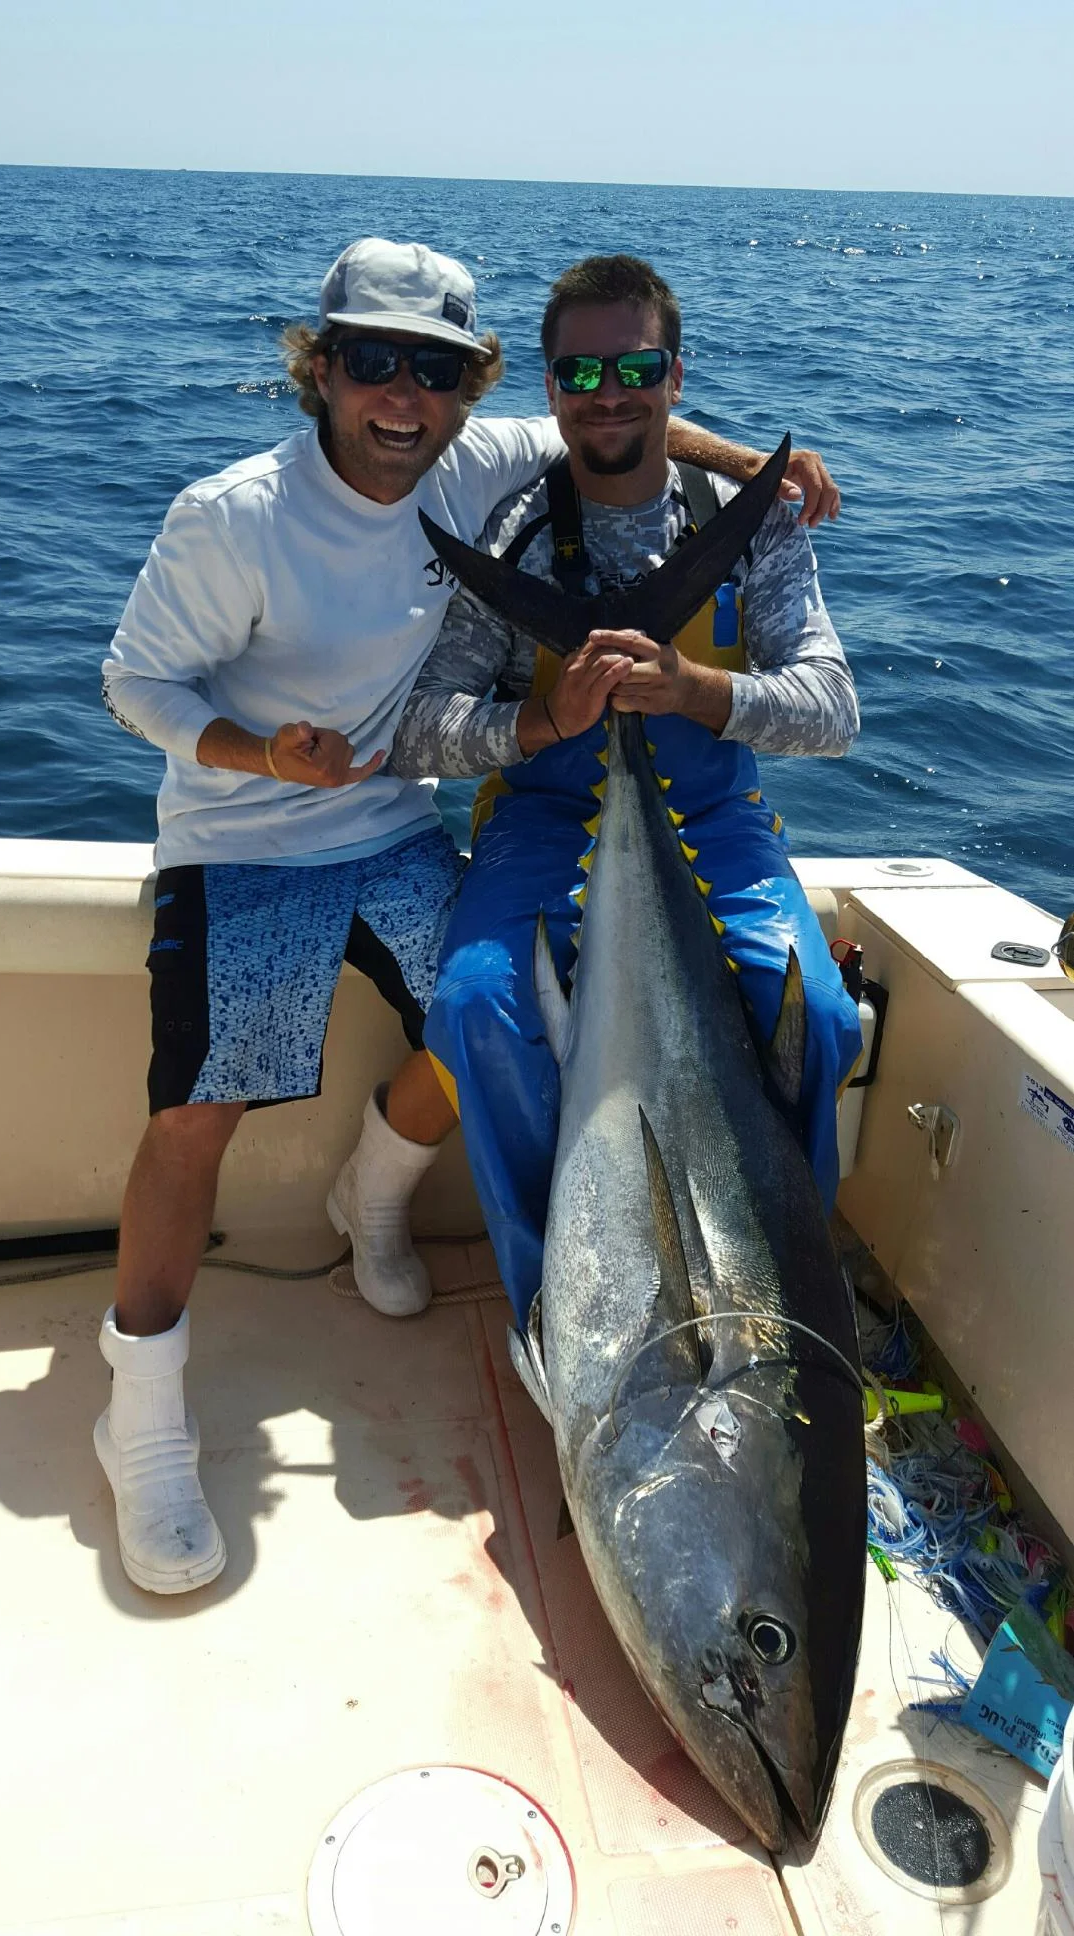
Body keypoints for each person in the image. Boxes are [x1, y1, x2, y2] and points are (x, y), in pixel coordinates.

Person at [98, 236, 833, 1595]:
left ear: (469, 389)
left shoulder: (480, 462)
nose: (399, 396)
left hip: (385, 824)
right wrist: (266, 757)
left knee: (494, 1002)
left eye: (430, 370)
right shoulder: (232, 513)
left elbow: (624, 406)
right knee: (202, 1105)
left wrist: (755, 473)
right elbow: (135, 684)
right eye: (368, 361)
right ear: (316, 369)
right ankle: (138, 1405)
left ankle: (371, 1197)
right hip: (243, 838)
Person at [391, 253, 863, 1338]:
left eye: (636, 364)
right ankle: (559, 1316)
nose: (610, 391)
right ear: (549, 388)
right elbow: (423, 726)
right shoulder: (508, 535)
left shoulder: (757, 527)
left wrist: (694, 690)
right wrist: (543, 722)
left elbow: (833, 709)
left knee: (823, 1019)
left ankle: (780, 1299)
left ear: (676, 376)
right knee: (474, 1009)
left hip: (716, 821)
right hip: (544, 819)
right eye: (582, 371)